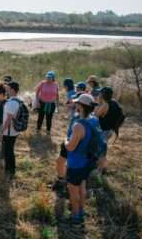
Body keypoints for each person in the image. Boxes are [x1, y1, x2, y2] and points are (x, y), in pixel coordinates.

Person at [64, 94, 99, 225]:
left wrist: (65, 140)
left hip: (75, 163)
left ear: (81, 107)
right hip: (88, 161)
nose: (75, 105)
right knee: (82, 186)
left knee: (73, 191)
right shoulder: (94, 120)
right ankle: (81, 211)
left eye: (77, 103)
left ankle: (75, 216)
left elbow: (71, 147)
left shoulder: (78, 125)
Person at [95, 87, 120, 173]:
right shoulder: (114, 102)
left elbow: (96, 115)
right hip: (111, 130)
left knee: (100, 149)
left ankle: (99, 170)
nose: (98, 95)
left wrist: (98, 103)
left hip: (104, 130)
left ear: (102, 95)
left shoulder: (105, 105)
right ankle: (103, 167)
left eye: (100, 93)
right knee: (103, 148)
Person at [2, 81, 21, 177]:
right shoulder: (17, 100)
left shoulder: (12, 103)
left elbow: (8, 119)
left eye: (8, 89)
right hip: (12, 131)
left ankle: (10, 171)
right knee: (8, 150)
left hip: (9, 131)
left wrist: (2, 130)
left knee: (8, 151)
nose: (6, 90)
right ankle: (9, 169)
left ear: (12, 90)